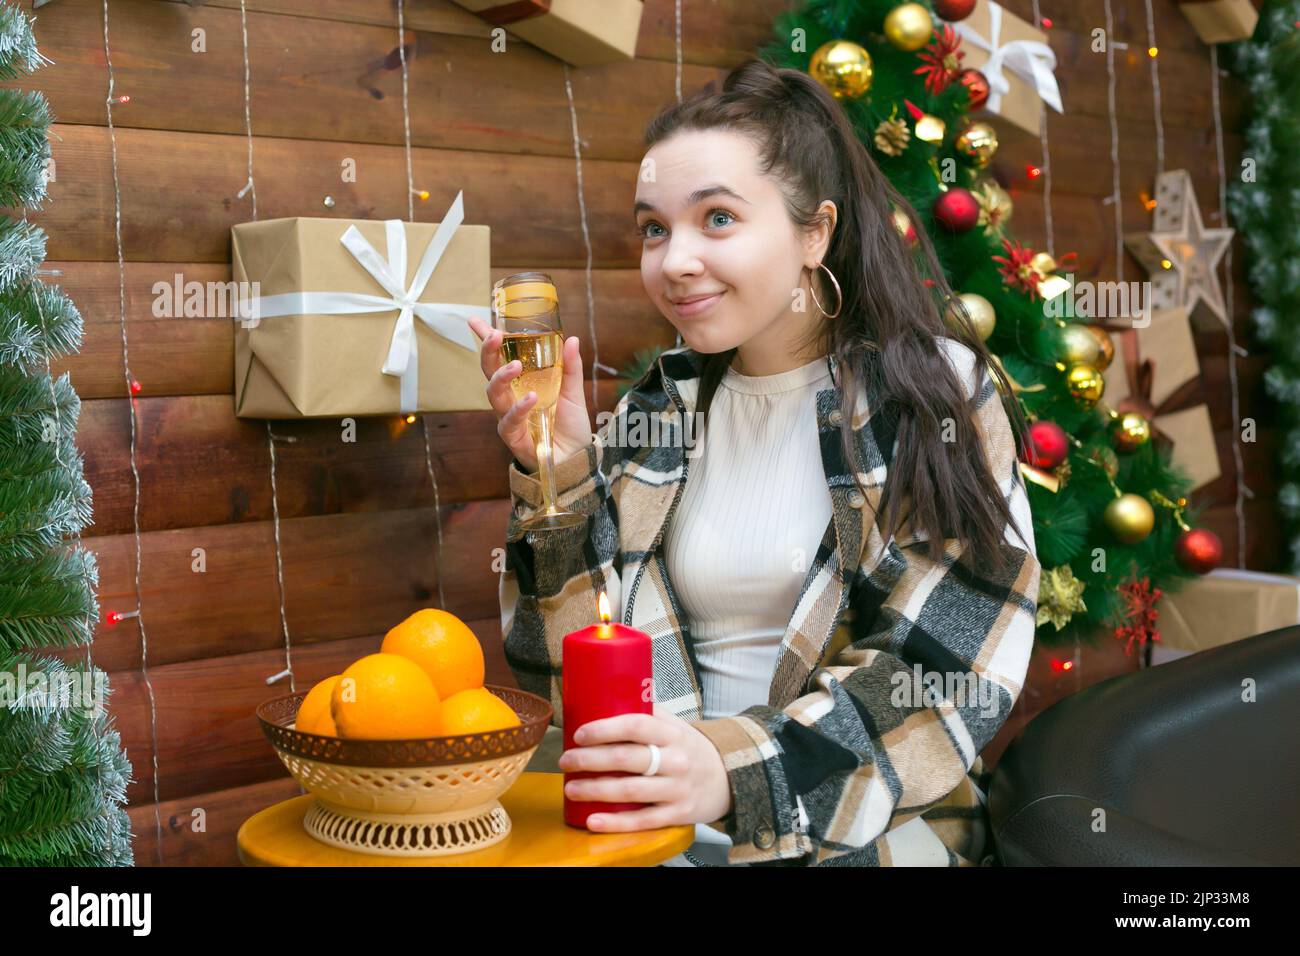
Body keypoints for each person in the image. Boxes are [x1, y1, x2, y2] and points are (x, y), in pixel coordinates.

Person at [467, 57, 1041, 867]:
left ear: (816, 232)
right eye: (655, 228)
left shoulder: (931, 394)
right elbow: (558, 682)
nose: (675, 260)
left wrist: (731, 771)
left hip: (861, 834)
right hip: (658, 836)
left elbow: (945, 675)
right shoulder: (656, 410)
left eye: (718, 219)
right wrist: (557, 478)